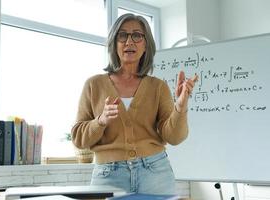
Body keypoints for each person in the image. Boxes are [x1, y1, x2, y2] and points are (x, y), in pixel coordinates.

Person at [71, 13, 198, 195]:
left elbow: (174, 137)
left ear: (146, 44)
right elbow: (78, 138)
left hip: (156, 174)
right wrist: (100, 121)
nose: (129, 41)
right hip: (109, 176)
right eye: (122, 35)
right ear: (114, 43)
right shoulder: (94, 85)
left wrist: (181, 106)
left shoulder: (158, 87)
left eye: (137, 35)